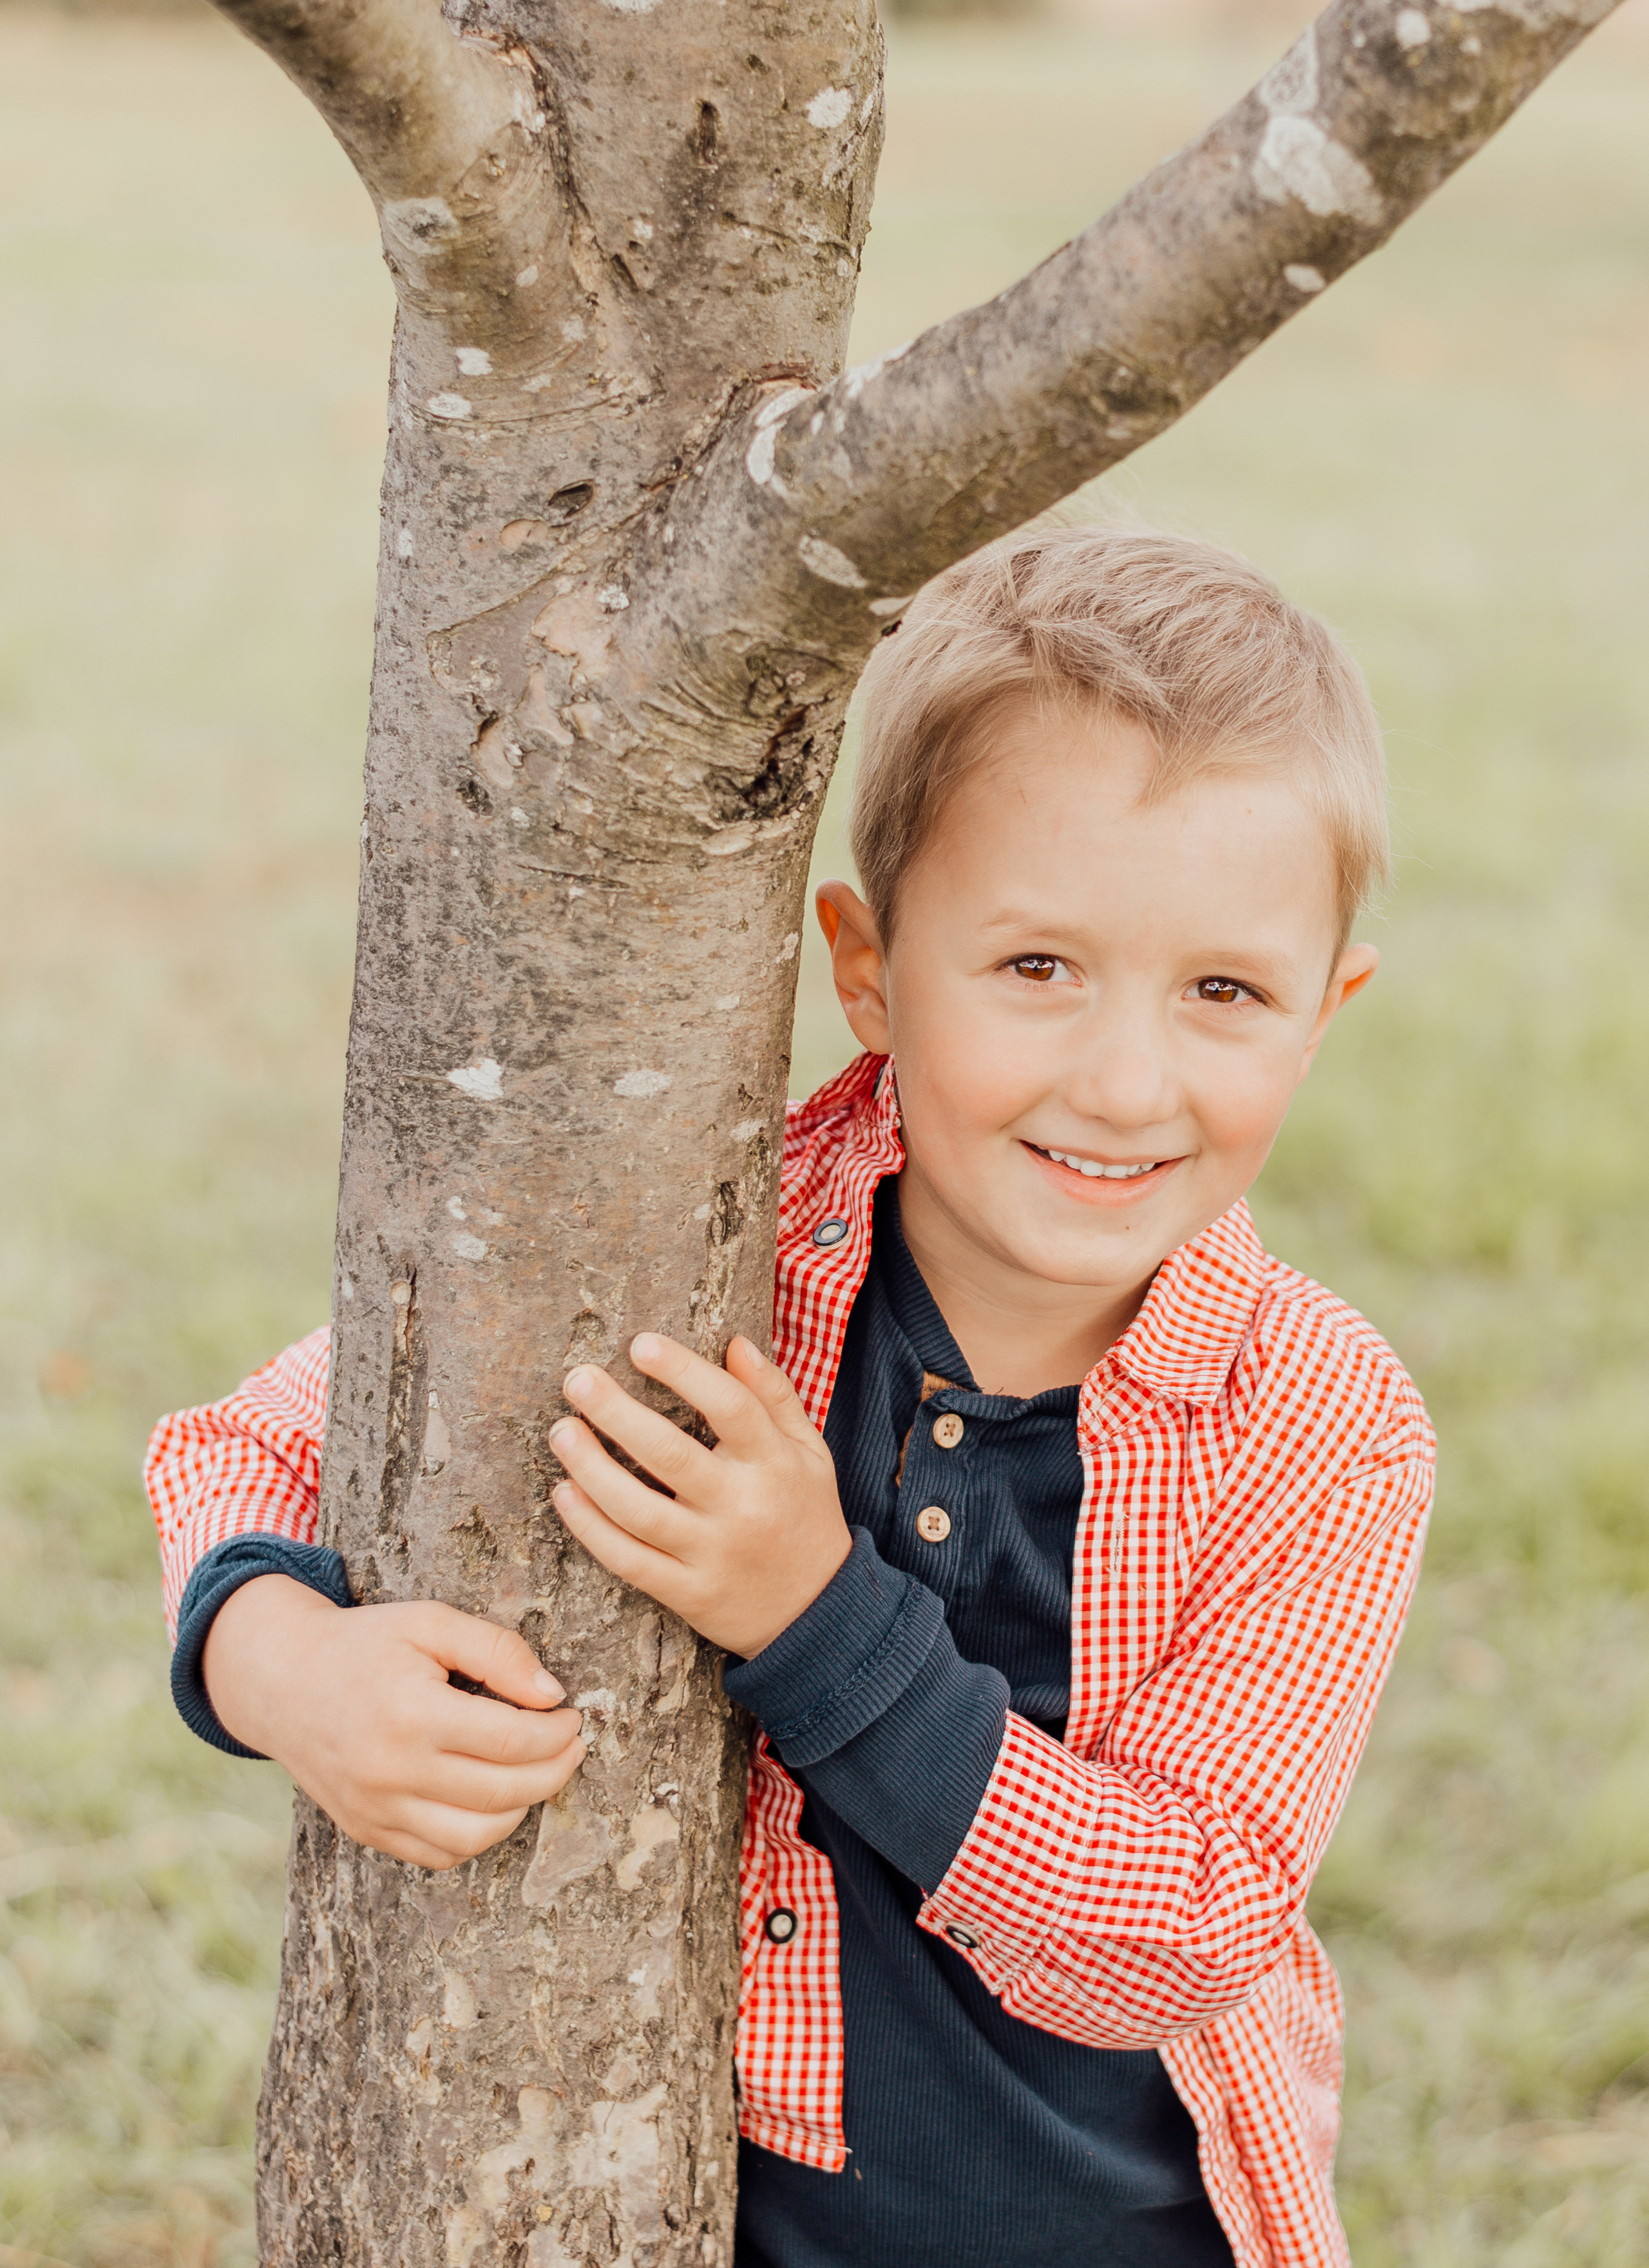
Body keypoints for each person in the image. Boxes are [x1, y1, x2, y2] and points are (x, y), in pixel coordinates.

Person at [146, 528, 1434, 2268]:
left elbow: (1182, 1929)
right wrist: (280, 1663)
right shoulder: (716, 1251)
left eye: (1224, 992)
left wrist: (818, 1618)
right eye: (1037, 966)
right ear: (868, 964)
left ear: (1324, 1014)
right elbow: (241, 1444)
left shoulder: (1323, 1426)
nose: (1128, 1078)